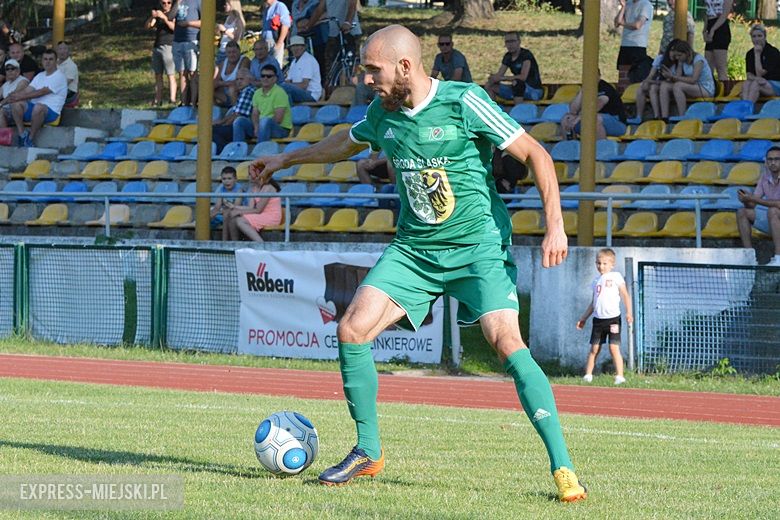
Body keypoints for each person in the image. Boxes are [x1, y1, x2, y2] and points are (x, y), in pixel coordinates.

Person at [249, 24, 587, 502]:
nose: (367, 79)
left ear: (405, 67)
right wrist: (284, 159)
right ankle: (368, 450)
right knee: (352, 330)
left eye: (373, 70)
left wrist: (555, 225)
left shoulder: (464, 101)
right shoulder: (382, 113)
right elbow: (343, 144)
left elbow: (536, 154)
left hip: (477, 250)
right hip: (415, 250)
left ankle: (564, 469)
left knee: (507, 343)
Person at [576, 248, 633, 386]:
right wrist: (583, 318)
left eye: (604, 263)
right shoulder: (595, 281)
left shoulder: (616, 277)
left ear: (612, 264)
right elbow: (593, 303)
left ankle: (620, 376)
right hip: (598, 320)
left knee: (614, 348)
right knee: (594, 348)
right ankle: (588, 375)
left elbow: (625, 294)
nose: (601, 266)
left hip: (613, 319)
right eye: (598, 263)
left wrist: (629, 312)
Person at [0, 48, 67, 147]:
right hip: (33, 108)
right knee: (16, 104)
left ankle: (30, 139)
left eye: (50, 59)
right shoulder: (40, 75)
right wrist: (16, 96)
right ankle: (22, 135)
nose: (47, 62)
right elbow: (28, 90)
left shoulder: (59, 76)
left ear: (56, 61)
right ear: (42, 61)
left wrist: (20, 96)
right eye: (45, 59)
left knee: (38, 106)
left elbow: (41, 92)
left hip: (51, 112)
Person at [298, 0, 361, 90]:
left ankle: (352, 87)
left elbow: (352, 6)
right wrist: (308, 26)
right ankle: (329, 89)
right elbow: (319, 10)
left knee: (352, 62)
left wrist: (348, 22)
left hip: (350, 31)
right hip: (334, 32)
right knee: (329, 61)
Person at [737, 146, 780, 267]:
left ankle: (778, 257)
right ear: (766, 161)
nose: (773, 162)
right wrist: (745, 199)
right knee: (742, 212)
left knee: (773, 211)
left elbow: (778, 204)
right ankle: (749, 257)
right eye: (770, 159)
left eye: (777, 159)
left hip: (776, 215)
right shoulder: (764, 177)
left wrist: (754, 199)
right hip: (774, 221)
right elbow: (752, 204)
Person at [560, 71, 627, 140]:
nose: (589, 78)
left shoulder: (605, 87)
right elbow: (573, 110)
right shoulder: (586, 88)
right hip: (587, 120)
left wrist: (578, 118)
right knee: (566, 119)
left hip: (617, 123)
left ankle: (601, 149)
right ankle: (571, 148)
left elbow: (597, 106)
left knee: (595, 118)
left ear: (599, 76)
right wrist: (582, 91)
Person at [658, 40, 715, 120]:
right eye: (676, 56)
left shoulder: (698, 60)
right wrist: (671, 75)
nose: (677, 58)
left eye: (679, 55)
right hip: (691, 87)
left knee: (678, 86)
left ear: (687, 53)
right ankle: (664, 117)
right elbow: (677, 78)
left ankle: (682, 115)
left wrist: (673, 77)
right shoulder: (682, 61)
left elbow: (693, 80)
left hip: (704, 87)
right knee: (665, 86)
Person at [223, 169, 281, 242]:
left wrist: (239, 212)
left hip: (271, 216)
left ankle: (261, 244)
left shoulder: (268, 188)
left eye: (251, 174)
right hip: (260, 214)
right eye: (249, 174)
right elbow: (250, 207)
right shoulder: (254, 188)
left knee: (240, 220)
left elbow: (258, 210)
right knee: (232, 216)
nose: (249, 176)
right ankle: (235, 243)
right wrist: (233, 207)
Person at [485, 32, 543, 103]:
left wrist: (504, 78)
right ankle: (493, 110)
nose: (510, 44)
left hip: (533, 90)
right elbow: (500, 74)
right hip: (516, 89)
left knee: (518, 83)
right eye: (507, 42)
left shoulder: (526, 55)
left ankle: (518, 109)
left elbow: (523, 77)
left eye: (512, 41)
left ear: (519, 42)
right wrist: (493, 78)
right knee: (489, 85)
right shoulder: (508, 56)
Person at [631, 40, 678, 123]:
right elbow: (650, 75)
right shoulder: (660, 58)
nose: (673, 54)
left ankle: (657, 116)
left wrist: (652, 82)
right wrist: (646, 82)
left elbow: (674, 80)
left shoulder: (679, 63)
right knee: (641, 89)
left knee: (653, 88)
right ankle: (638, 117)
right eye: (672, 50)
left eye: (676, 51)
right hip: (658, 83)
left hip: (669, 85)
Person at [211, 68, 256, 150]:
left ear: (249, 80)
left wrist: (221, 123)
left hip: (245, 127)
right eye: (237, 79)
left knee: (211, 130)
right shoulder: (243, 91)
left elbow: (238, 115)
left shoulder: (247, 91)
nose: (239, 81)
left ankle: (225, 150)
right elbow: (235, 113)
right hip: (243, 126)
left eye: (241, 79)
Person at [145, 0, 178, 107]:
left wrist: (164, 18)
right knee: (158, 75)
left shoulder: (173, 13)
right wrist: (153, 17)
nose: (166, 5)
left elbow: (174, 28)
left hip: (169, 45)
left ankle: (172, 99)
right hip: (157, 45)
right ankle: (158, 100)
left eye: (169, 2)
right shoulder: (159, 14)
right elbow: (147, 26)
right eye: (164, 3)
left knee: (170, 74)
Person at [251, 63, 292, 142]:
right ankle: (237, 151)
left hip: (281, 129)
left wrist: (261, 127)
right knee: (240, 122)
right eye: (263, 76)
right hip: (262, 126)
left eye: (269, 76)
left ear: (275, 79)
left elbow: (278, 119)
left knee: (265, 121)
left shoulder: (280, 93)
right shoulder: (257, 93)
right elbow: (255, 113)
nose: (265, 78)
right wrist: (256, 127)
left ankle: (261, 151)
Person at [614, 0, 653, 81]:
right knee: (623, 75)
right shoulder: (628, 4)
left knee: (637, 75)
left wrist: (623, 23)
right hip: (625, 44)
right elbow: (617, 23)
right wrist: (623, 7)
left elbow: (638, 25)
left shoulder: (645, 4)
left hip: (638, 45)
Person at [741, 24, 780, 104]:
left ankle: (747, 108)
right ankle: (745, 107)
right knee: (746, 83)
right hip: (760, 83)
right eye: (754, 36)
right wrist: (756, 79)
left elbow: (760, 73)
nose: (757, 39)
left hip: (775, 84)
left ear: (765, 37)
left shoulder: (773, 52)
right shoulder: (749, 54)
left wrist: (757, 54)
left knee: (756, 84)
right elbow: (749, 75)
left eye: (759, 36)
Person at [172, 0, 202, 106]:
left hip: (191, 39)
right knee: (182, 72)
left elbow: (205, 21)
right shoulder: (178, 2)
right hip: (177, 40)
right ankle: (184, 102)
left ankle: (194, 102)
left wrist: (188, 23)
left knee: (192, 72)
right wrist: (177, 3)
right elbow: (170, 17)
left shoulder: (198, 2)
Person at [281, 35, 322, 103]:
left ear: (303, 47)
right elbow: (288, 81)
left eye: (298, 46)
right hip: (301, 92)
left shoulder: (308, 60)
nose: (295, 48)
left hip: (311, 94)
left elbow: (304, 85)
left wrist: (289, 85)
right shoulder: (294, 62)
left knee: (285, 88)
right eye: (293, 46)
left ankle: (288, 112)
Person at [213, 40, 249, 107]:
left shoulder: (244, 60)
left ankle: (235, 111)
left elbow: (240, 81)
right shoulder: (224, 63)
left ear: (239, 51)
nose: (232, 55)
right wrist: (225, 83)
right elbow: (215, 82)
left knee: (232, 88)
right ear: (226, 53)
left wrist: (222, 83)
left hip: (239, 91)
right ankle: (215, 110)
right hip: (224, 93)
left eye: (234, 52)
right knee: (208, 87)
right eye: (229, 52)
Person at [703, 0, 732, 81]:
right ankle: (710, 89)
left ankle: (724, 89)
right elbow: (707, 11)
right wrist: (705, 29)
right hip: (710, 23)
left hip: (721, 28)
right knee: (708, 67)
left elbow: (724, 15)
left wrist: (713, 30)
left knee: (720, 67)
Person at [211, 165, 244, 230]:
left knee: (227, 216)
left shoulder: (239, 189)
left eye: (229, 178)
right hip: (224, 212)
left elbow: (236, 206)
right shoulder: (222, 189)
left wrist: (220, 212)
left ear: (235, 179)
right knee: (208, 218)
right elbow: (217, 206)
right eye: (224, 179)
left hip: (238, 213)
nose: (226, 181)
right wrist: (211, 214)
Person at [262, 0, 291, 67]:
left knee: (275, 67)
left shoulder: (280, 6)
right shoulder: (266, 9)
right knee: (266, 67)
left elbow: (286, 25)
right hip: (265, 43)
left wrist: (279, 43)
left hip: (275, 42)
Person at [0, 58, 29, 123]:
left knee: (1, 111)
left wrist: (0, 104)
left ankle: (5, 133)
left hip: (20, 111)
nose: (10, 71)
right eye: (7, 69)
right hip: (7, 110)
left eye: (12, 68)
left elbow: (13, 95)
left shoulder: (23, 81)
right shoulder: (6, 84)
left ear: (18, 70)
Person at [216, 0, 245, 64]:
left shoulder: (238, 21)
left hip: (230, 52)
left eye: (227, 4)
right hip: (222, 49)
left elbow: (237, 38)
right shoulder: (228, 18)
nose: (224, 6)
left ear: (233, 6)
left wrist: (225, 30)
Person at [55, 41, 79, 106]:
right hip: (57, 89)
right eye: (60, 49)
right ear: (57, 51)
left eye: (65, 49)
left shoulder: (71, 66)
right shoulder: (54, 63)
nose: (62, 51)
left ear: (68, 51)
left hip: (69, 92)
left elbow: (64, 84)